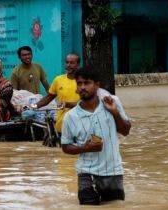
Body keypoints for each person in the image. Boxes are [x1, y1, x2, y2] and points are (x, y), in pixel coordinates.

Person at [61, 68, 131, 205]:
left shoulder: (113, 102)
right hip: (86, 173)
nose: (82, 87)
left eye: (87, 83)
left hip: (113, 171)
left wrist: (115, 112)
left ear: (97, 85)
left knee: (115, 206)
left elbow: (125, 131)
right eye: (79, 83)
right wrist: (84, 148)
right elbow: (65, 147)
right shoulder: (70, 116)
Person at [35, 53, 81, 135]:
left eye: (72, 63)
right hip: (62, 126)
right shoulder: (58, 80)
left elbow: (86, 104)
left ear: (78, 65)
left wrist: (67, 104)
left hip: (80, 125)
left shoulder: (84, 82)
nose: (68, 65)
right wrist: (34, 106)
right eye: (67, 62)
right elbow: (49, 97)